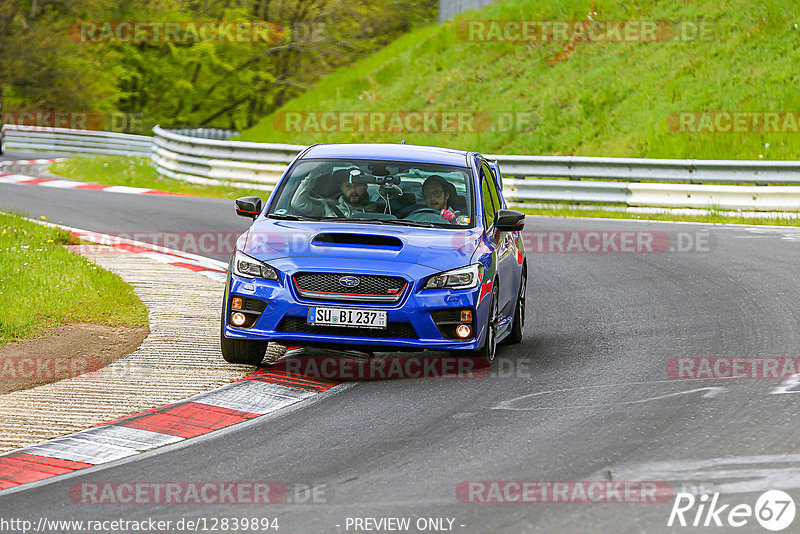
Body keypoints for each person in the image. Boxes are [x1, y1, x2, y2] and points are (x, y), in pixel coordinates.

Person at [291, 166, 382, 217]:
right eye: (348, 186)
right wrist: (311, 178)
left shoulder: (382, 208)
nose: (353, 191)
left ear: (365, 186)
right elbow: (298, 204)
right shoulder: (327, 206)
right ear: (341, 188)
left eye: (358, 186)